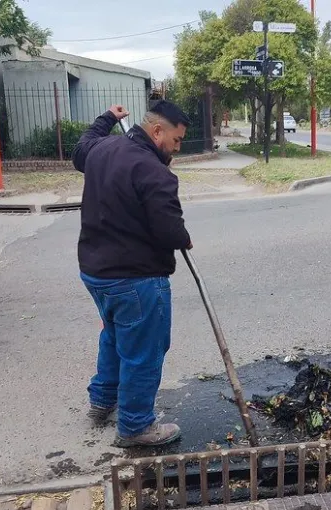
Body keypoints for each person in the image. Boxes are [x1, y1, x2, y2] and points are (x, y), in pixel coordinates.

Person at [72, 100, 192, 448]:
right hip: (135, 279)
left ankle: (102, 400)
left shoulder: (102, 148)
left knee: (114, 335)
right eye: (177, 139)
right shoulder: (155, 173)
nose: (177, 148)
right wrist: (184, 238)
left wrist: (107, 118)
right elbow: (169, 231)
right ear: (158, 131)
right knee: (144, 350)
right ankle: (135, 426)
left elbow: (82, 146)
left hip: (95, 273)